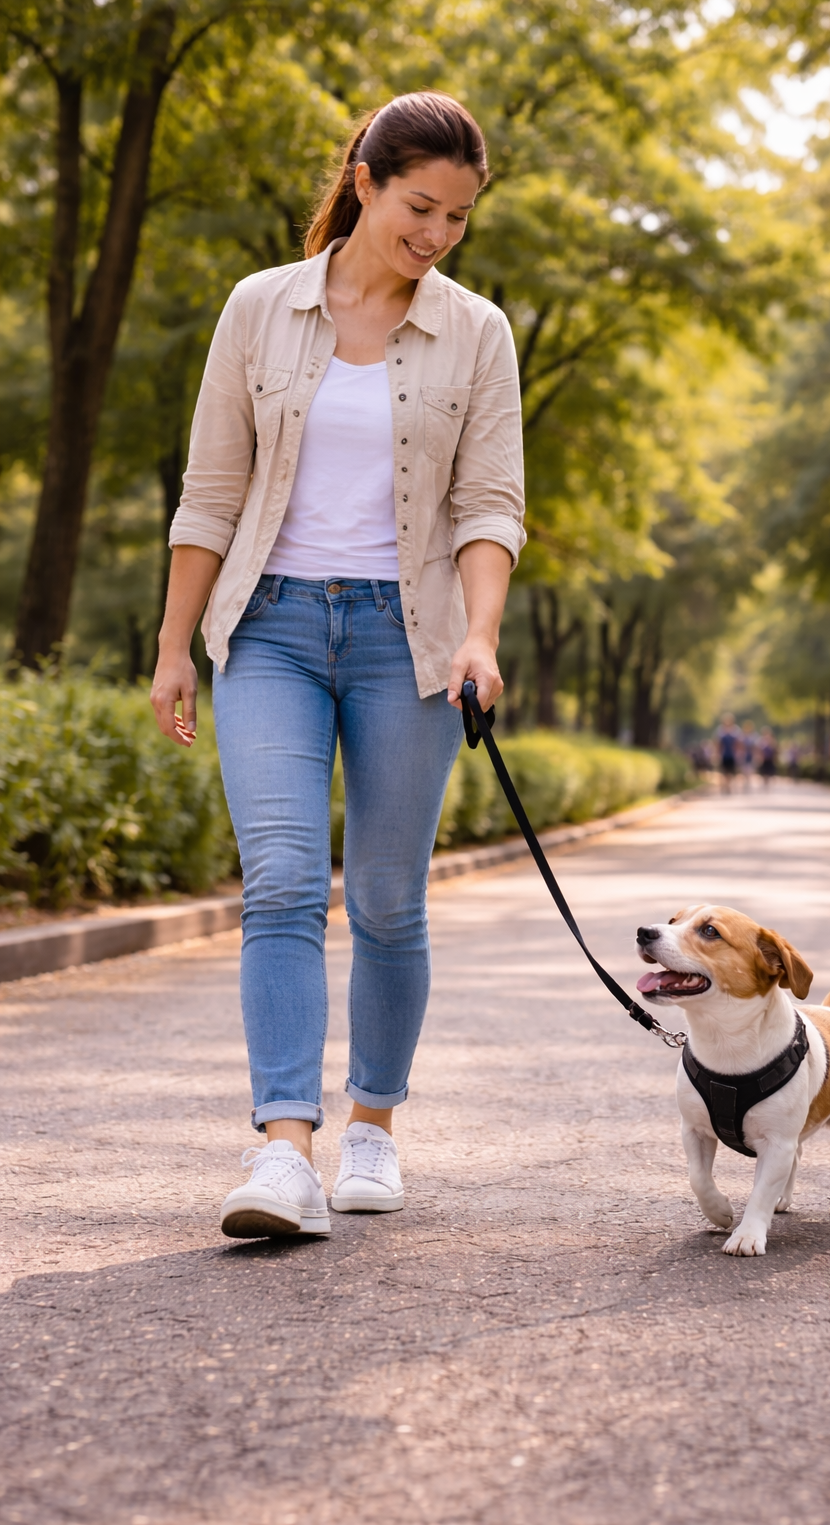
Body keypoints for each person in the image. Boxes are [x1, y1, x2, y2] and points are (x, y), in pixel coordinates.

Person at [150, 92, 525, 1239]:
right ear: (364, 180)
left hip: (402, 642)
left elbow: (489, 502)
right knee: (277, 881)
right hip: (266, 625)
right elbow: (210, 490)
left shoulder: (477, 332)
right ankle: (283, 1152)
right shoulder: (261, 309)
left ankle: (371, 1126)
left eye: (457, 218)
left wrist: (478, 633)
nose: (436, 234)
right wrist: (174, 644)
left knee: (386, 902)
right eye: (420, 206)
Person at [716, 713, 740, 793]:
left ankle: (728, 785)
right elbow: (718, 743)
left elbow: (738, 743)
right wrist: (717, 753)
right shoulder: (720, 730)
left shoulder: (735, 730)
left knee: (730, 772)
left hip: (732, 755)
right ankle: (725, 785)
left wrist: (738, 753)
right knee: (724, 771)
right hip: (724, 754)